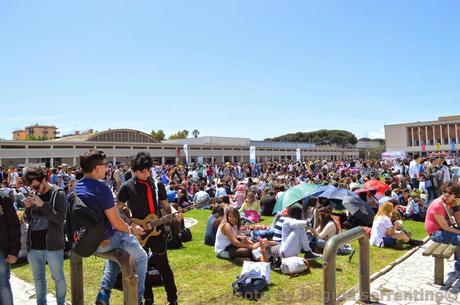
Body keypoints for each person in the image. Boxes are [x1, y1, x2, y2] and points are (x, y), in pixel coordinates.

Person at [74, 149, 147, 305]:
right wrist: (130, 230)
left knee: (117, 256)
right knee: (142, 257)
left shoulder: (77, 186)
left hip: (84, 243)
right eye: (105, 164)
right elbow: (116, 222)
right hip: (105, 240)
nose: (107, 167)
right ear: (97, 168)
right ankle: (138, 299)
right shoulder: (102, 189)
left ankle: (103, 294)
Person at [117, 152, 179, 305]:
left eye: (148, 171)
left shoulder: (157, 185)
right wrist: (132, 225)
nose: (145, 174)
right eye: (142, 171)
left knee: (163, 265)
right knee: (141, 268)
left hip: (157, 231)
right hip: (139, 233)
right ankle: (148, 298)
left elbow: (165, 204)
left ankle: (173, 299)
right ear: (134, 170)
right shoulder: (126, 187)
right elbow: (117, 209)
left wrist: (173, 211)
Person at [23, 167, 67, 305]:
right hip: (34, 246)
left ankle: (61, 302)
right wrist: (28, 208)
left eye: (36, 185)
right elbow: (27, 220)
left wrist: (43, 205)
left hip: (53, 245)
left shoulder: (58, 193)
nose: (34, 189)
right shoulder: (32, 193)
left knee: (58, 278)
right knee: (38, 278)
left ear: (44, 179)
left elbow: (60, 219)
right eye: (31, 187)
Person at [425, 181, 460, 273]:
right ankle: (458, 265)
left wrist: (456, 206)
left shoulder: (449, 202)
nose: (446, 195)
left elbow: (457, 221)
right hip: (436, 233)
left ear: (455, 195)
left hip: (443, 230)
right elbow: (446, 228)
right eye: (445, 192)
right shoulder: (437, 205)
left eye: (450, 193)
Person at [0, 191, 21, 305]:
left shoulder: (3, 199)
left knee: (3, 284)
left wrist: (14, 250)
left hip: (2, 252)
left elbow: (14, 224)